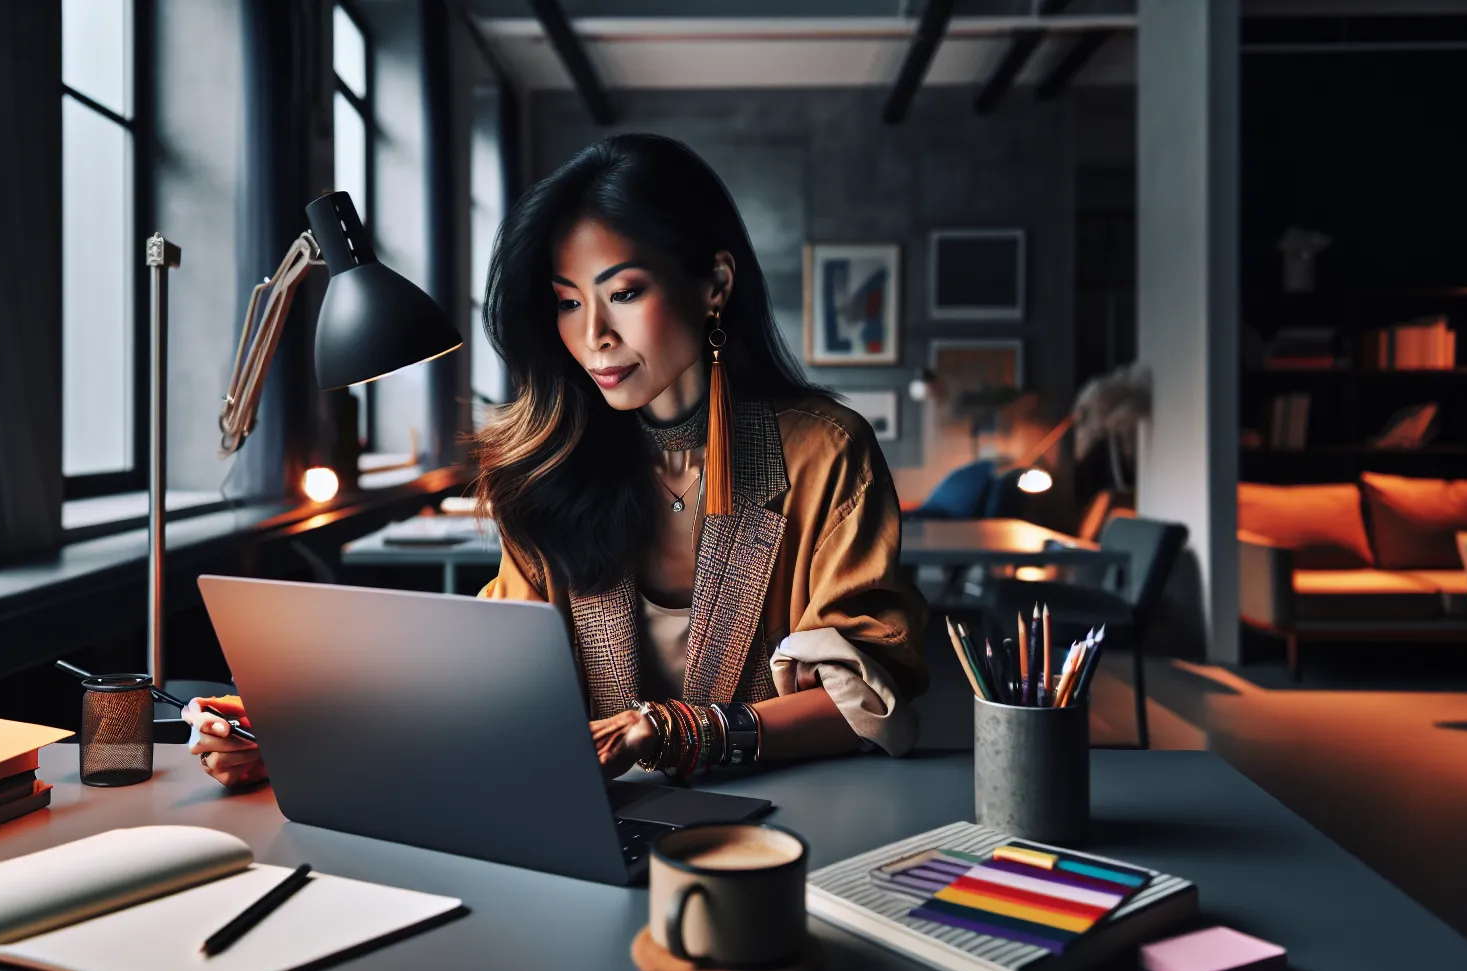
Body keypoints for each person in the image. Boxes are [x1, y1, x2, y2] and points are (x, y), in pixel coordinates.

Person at [187, 134, 928, 788]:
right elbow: (493, 677)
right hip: (598, 831)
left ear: (716, 285)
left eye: (625, 293)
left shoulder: (826, 453)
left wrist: (686, 731)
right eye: (568, 303)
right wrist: (295, 729)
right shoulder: (543, 464)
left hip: (785, 831)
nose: (594, 334)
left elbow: (866, 700)